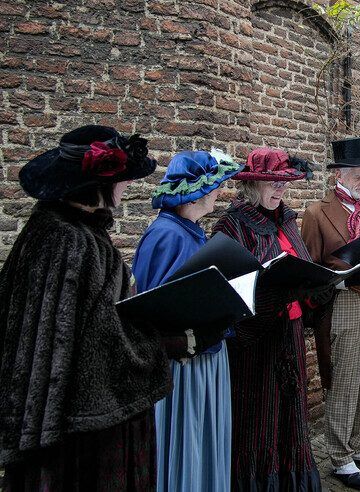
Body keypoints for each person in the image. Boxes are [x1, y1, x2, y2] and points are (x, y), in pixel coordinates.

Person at [0, 125, 171, 490]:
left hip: (60, 416)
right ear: (99, 185)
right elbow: (99, 343)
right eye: (123, 179)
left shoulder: (49, 229)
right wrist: (160, 339)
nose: (128, 186)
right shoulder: (73, 243)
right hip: (85, 430)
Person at [132, 150, 243, 491]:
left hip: (208, 355)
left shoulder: (191, 230)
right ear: (197, 191)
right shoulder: (166, 235)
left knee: (205, 436)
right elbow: (151, 307)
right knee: (187, 437)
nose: (218, 193)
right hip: (183, 364)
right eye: (214, 187)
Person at [212, 147, 321, 490]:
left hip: (289, 332)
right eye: (272, 183)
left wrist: (317, 283)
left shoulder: (287, 219)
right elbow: (227, 290)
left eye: (284, 183)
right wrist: (272, 291)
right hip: (255, 343)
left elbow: (300, 264)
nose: (280, 190)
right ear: (253, 183)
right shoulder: (232, 225)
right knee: (258, 418)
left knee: (291, 415)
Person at [301, 137, 360, 490]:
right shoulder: (317, 213)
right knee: (345, 380)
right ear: (338, 173)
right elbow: (310, 271)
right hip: (346, 303)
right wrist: (342, 281)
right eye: (357, 174)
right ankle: (340, 456)